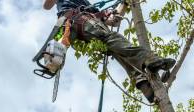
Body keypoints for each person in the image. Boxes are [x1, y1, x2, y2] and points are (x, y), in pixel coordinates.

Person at [42, 0, 176, 103]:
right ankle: (149, 58)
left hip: (83, 25)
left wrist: (124, 4)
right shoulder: (68, 4)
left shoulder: (89, 6)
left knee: (116, 49)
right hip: (77, 20)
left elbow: (113, 21)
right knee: (111, 38)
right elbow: (47, 6)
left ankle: (144, 85)